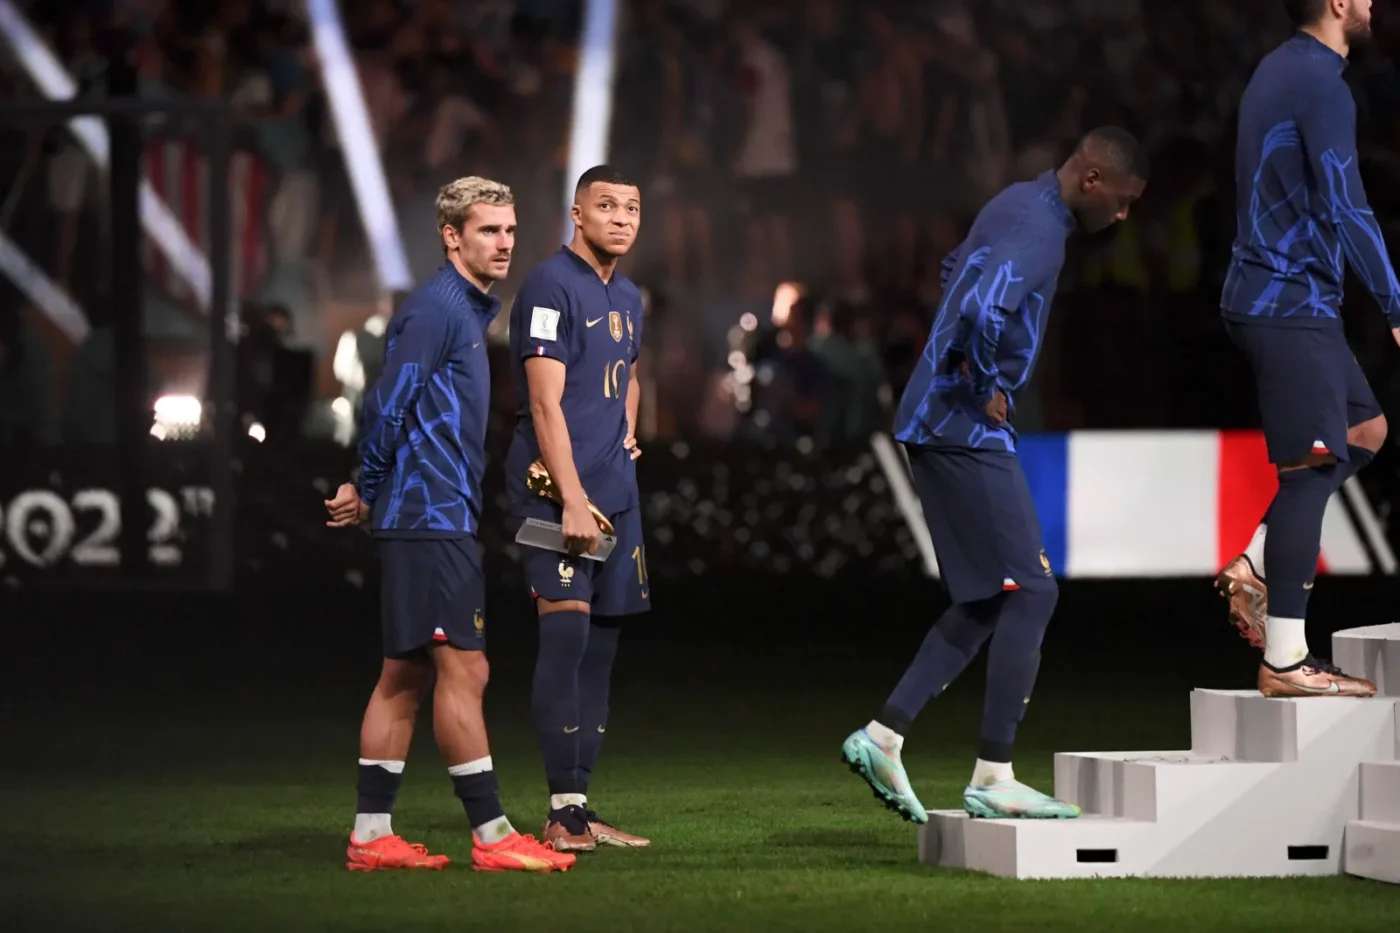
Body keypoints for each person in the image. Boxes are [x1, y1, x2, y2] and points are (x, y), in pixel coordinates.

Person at [841, 129, 1148, 822]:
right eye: (1123, 200)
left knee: (985, 599)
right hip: (963, 425)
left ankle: (883, 735)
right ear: (1093, 180)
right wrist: (983, 382)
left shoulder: (1015, 201)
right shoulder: (1042, 230)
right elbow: (983, 307)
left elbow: (955, 269)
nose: (1123, 215)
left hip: (933, 414)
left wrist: (951, 355)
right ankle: (994, 775)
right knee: (1033, 590)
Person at [324, 177, 573, 873]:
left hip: (431, 514)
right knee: (466, 667)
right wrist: (365, 484)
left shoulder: (461, 310)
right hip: (429, 518)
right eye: (489, 230)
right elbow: (388, 403)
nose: (505, 242)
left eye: (510, 230)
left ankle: (371, 836)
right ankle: (492, 836)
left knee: (402, 676)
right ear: (452, 236)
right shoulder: (437, 310)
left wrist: (373, 490)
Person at [1214, 0, 1390, 698]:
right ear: (1338, 3)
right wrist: (1395, 302)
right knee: (1310, 468)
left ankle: (1257, 562)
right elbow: (1349, 204)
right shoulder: (1320, 84)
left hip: (1282, 296)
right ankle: (1285, 660)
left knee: (1364, 430)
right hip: (1286, 302)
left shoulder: (1281, 68)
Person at [506, 165, 652, 852]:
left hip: (617, 494)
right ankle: (559, 811)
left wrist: (629, 428)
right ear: (577, 213)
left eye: (632, 208)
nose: (621, 218)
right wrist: (570, 497)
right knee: (565, 639)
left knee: (601, 651)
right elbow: (543, 402)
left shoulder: (629, 294)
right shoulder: (548, 285)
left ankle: (579, 806)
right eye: (607, 206)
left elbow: (630, 374)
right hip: (555, 493)